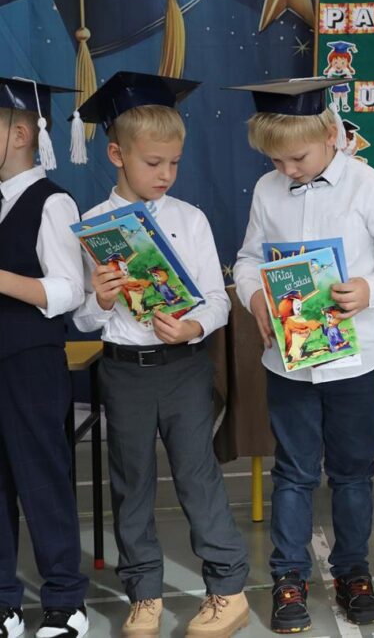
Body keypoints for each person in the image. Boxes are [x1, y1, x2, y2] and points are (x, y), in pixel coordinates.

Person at [230, 77, 374, 632]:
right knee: (292, 472)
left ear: (331, 135)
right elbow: (247, 259)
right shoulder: (267, 190)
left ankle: (353, 573)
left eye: (298, 158)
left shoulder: (370, 186)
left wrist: (370, 289)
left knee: (353, 473)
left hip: (356, 362)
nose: (287, 170)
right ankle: (288, 578)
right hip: (288, 361)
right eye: (276, 161)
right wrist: (254, 295)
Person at [73, 71, 250, 638]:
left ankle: (228, 590)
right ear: (117, 155)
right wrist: (100, 301)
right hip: (123, 371)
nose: (166, 175)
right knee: (131, 483)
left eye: (174, 162)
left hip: (184, 370)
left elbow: (218, 302)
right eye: (153, 163)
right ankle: (144, 594)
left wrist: (192, 325)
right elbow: (82, 320)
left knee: (198, 478)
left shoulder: (189, 219)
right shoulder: (93, 226)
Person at [0, 77, 89, 638]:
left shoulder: (52, 202)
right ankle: (3, 601)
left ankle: (65, 599)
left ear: (19, 134)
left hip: (29, 362)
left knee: (42, 477)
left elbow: (68, 290)